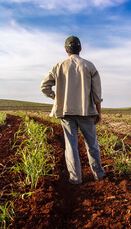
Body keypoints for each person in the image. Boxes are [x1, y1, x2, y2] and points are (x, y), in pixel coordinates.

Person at [41, 36, 106, 184]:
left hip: (66, 113)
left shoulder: (58, 66)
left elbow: (44, 86)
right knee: (92, 144)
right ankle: (99, 174)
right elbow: (97, 94)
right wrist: (99, 112)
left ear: (66, 50)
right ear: (80, 49)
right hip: (86, 112)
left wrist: (56, 97)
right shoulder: (89, 66)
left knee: (71, 146)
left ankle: (75, 178)